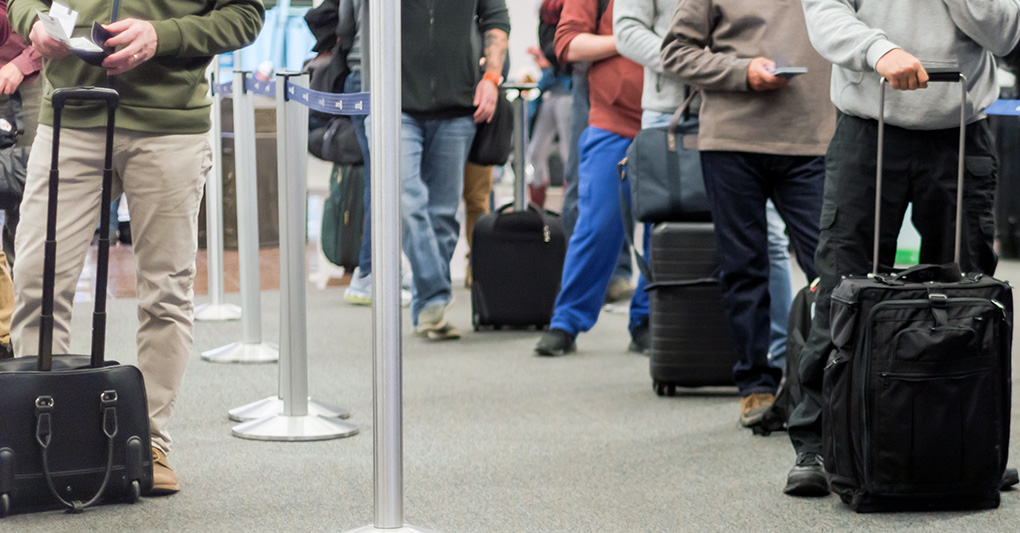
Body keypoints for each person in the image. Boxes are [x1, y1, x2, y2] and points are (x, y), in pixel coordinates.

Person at [7, 0, 264, 495]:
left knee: (166, 291)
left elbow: (246, 15)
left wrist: (161, 36)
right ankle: (45, 438)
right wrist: (32, 24)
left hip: (169, 125)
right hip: (71, 114)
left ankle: (149, 442)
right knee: (38, 279)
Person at [782, 0, 1020, 496]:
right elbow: (825, 15)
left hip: (960, 130)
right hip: (867, 129)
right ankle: (819, 442)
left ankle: (974, 443)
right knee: (840, 293)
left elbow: (1006, 33)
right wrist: (878, 49)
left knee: (971, 301)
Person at [660, 0, 835, 428]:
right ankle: (755, 383)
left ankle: (833, 384)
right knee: (744, 268)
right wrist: (742, 72)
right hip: (732, 141)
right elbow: (675, 53)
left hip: (813, 140)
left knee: (829, 271)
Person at [614, 0, 797, 365]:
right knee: (667, 233)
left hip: (748, 108)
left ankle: (780, 356)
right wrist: (702, 68)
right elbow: (627, 33)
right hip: (672, 115)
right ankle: (666, 341)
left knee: (770, 238)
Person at [533, 0, 648, 356]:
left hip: (671, 119)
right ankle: (567, 320)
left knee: (667, 227)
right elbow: (567, 44)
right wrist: (627, 40)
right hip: (610, 118)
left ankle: (648, 318)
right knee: (596, 222)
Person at [400, 0, 509, 340]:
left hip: (459, 106)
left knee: (443, 215)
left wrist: (491, 78)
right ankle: (435, 293)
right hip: (395, 102)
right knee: (407, 201)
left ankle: (428, 310)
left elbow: (496, 21)